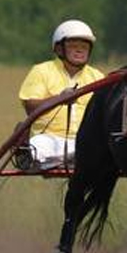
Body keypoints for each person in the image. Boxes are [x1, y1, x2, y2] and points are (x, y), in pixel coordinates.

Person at [15, 20, 106, 170]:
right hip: (50, 139)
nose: (79, 51)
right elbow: (30, 108)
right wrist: (60, 99)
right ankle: (74, 159)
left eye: (84, 47)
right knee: (38, 146)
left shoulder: (98, 77)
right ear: (58, 49)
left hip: (86, 140)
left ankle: (71, 158)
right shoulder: (41, 71)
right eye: (73, 46)